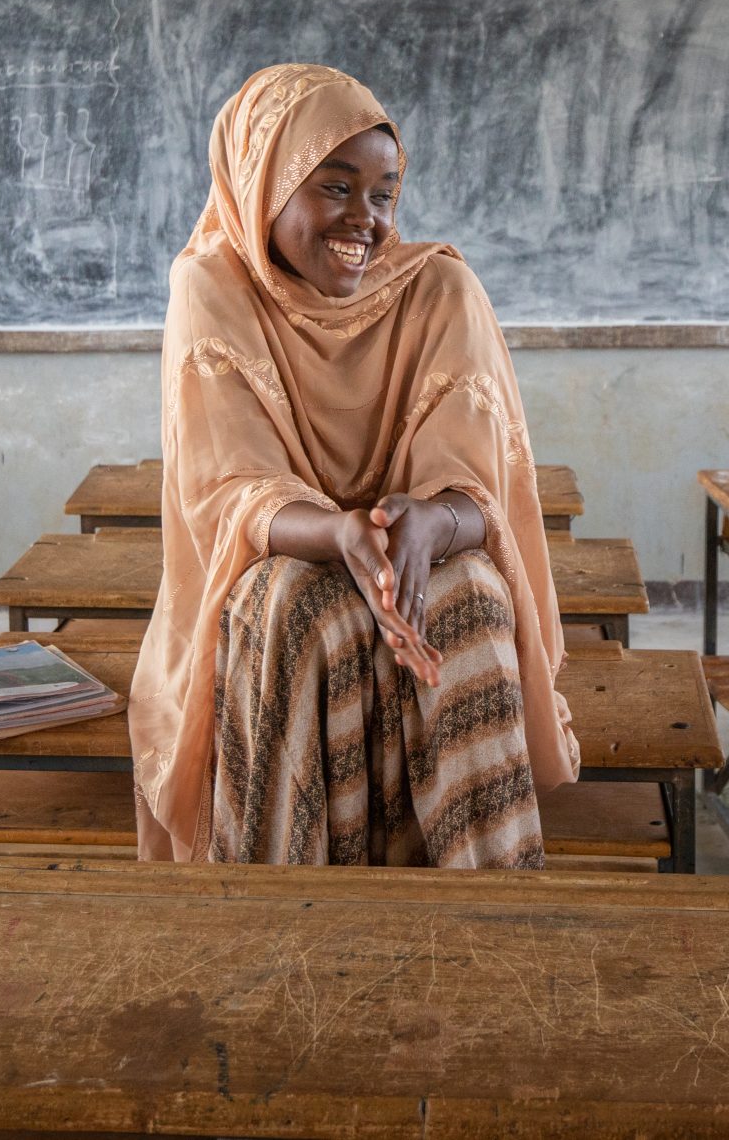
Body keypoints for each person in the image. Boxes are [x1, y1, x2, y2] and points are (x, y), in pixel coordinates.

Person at [129, 63, 581, 867]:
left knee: (470, 594)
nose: (364, 221)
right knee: (289, 608)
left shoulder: (440, 288)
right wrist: (341, 530)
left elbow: (487, 495)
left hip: (415, 547)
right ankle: (280, 924)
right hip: (285, 553)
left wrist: (429, 522)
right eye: (334, 188)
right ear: (263, 183)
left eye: (383, 194)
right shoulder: (210, 288)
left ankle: (491, 922)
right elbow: (228, 494)